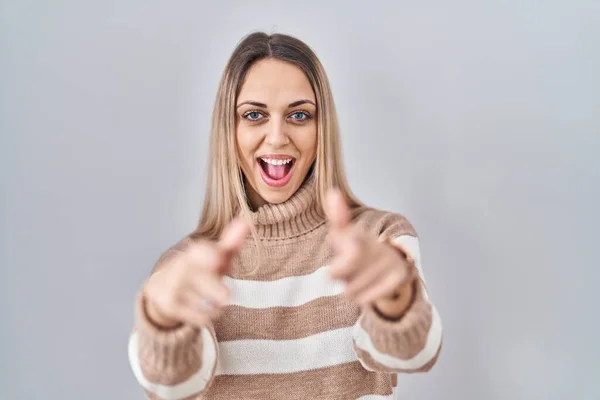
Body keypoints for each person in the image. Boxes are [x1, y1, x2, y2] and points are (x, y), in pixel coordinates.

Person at [127, 31, 443, 400]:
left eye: (298, 115)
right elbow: (169, 385)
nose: (277, 137)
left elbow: (414, 353)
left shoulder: (378, 240)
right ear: (229, 130)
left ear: (321, 127)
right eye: (254, 115)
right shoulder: (188, 268)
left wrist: (398, 296)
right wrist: (162, 322)